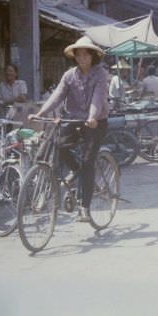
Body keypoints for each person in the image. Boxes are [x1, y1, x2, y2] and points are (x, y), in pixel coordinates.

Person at [31, 36, 110, 223]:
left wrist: (92, 116)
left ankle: (84, 207)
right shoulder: (69, 75)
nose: (82, 58)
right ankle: (76, 170)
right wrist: (40, 112)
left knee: (88, 160)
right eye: (78, 55)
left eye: (85, 54)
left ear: (92, 56)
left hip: (96, 121)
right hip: (74, 119)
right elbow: (57, 95)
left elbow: (97, 99)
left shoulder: (100, 74)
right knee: (59, 146)